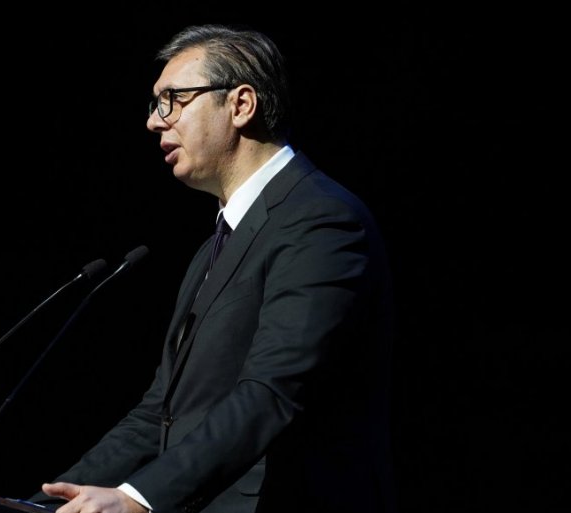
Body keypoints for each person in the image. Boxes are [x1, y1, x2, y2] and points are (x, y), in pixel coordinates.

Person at [35, 24, 395, 513]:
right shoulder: (214, 247)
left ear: (241, 105)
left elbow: (273, 391)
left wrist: (138, 499)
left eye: (172, 100)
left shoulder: (322, 220)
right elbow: (158, 415)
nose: (154, 122)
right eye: (154, 105)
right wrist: (37, 504)